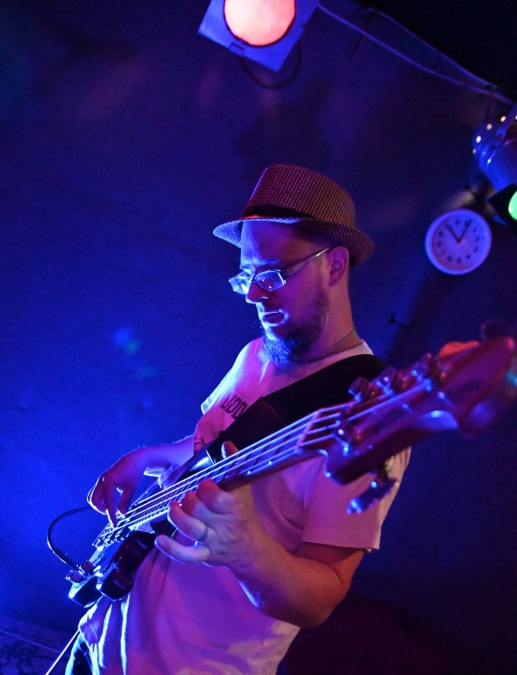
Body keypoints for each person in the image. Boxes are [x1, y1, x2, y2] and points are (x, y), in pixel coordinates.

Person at [66, 165, 410, 675]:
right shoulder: (257, 354)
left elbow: (321, 598)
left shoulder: (370, 415)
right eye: (245, 277)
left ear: (334, 265)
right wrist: (148, 458)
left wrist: (244, 548)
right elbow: (212, 447)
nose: (252, 295)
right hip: (104, 631)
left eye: (271, 274)